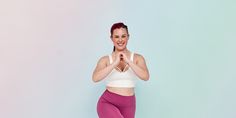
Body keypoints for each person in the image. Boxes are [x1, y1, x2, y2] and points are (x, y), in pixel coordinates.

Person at [92, 22, 149, 118]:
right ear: (112, 38)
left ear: (128, 37)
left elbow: (145, 76)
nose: (120, 40)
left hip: (129, 104)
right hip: (108, 103)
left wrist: (128, 61)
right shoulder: (105, 60)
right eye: (116, 37)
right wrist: (114, 63)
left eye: (123, 36)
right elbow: (95, 78)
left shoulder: (137, 58)